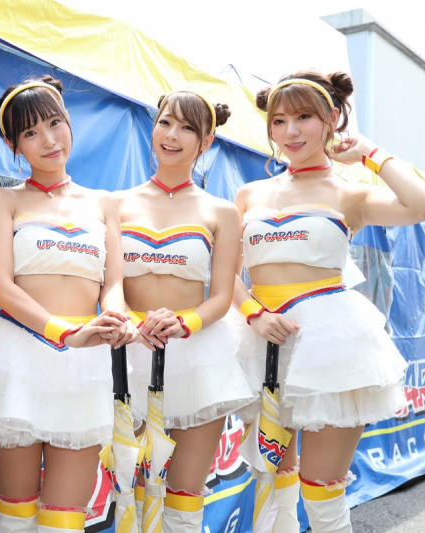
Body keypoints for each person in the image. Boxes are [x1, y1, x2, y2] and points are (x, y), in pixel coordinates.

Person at [233, 70, 425, 533]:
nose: (290, 132)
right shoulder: (250, 194)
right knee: (272, 483)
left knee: (321, 491)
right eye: (279, 121)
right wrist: (254, 314)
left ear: (331, 118)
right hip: (259, 341)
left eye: (304, 117)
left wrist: (370, 153)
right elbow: (224, 271)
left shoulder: (349, 193)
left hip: (330, 346)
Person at [0, 75, 136, 533]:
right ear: (12, 143)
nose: (48, 140)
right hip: (20, 356)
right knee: (15, 515)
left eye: (54, 124)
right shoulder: (2, 199)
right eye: (30, 132)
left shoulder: (104, 203)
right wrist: (66, 333)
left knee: (64, 521)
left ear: (69, 122)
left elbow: (113, 284)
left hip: (84, 363)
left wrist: (118, 316)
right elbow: (1, 288)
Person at [115, 91, 256, 531]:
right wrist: (133, 323)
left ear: (206, 140)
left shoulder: (221, 211)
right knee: (129, 491)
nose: (172, 135)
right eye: (165, 123)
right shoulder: (114, 204)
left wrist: (184, 323)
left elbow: (222, 295)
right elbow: (108, 284)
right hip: (128, 352)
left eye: (187, 128)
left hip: (198, 356)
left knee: (184, 497)